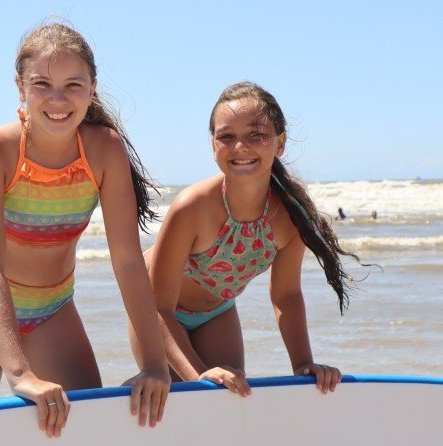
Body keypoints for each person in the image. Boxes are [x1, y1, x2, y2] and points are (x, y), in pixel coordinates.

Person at [0, 22, 170, 438]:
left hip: (53, 305)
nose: (58, 99)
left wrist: (155, 364)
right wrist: (21, 373)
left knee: (82, 432)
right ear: (20, 88)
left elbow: (129, 261)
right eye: (42, 83)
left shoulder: (104, 149)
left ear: (92, 88)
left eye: (73, 84)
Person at [132, 82, 361, 398]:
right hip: (155, 310)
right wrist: (200, 375)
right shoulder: (193, 207)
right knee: (185, 394)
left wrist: (304, 365)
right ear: (213, 145)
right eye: (226, 136)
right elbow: (158, 308)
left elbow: (287, 295)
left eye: (256, 135)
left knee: (231, 396)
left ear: (279, 143)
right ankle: (134, 387)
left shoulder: (290, 217)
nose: (240, 146)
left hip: (218, 312)